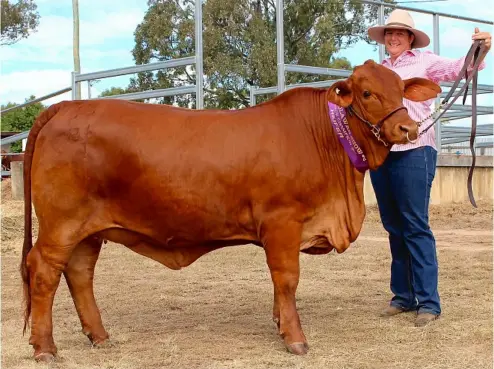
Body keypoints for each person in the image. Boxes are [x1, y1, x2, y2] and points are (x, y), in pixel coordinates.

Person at [366, 9, 491, 327]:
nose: (393, 37)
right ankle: (403, 296)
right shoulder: (379, 70)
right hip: (383, 153)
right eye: (389, 33)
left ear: (410, 38)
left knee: (414, 225)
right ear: (384, 38)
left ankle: (429, 302)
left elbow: (460, 70)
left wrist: (481, 49)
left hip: (415, 150)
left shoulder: (425, 61)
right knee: (394, 226)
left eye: (400, 33)